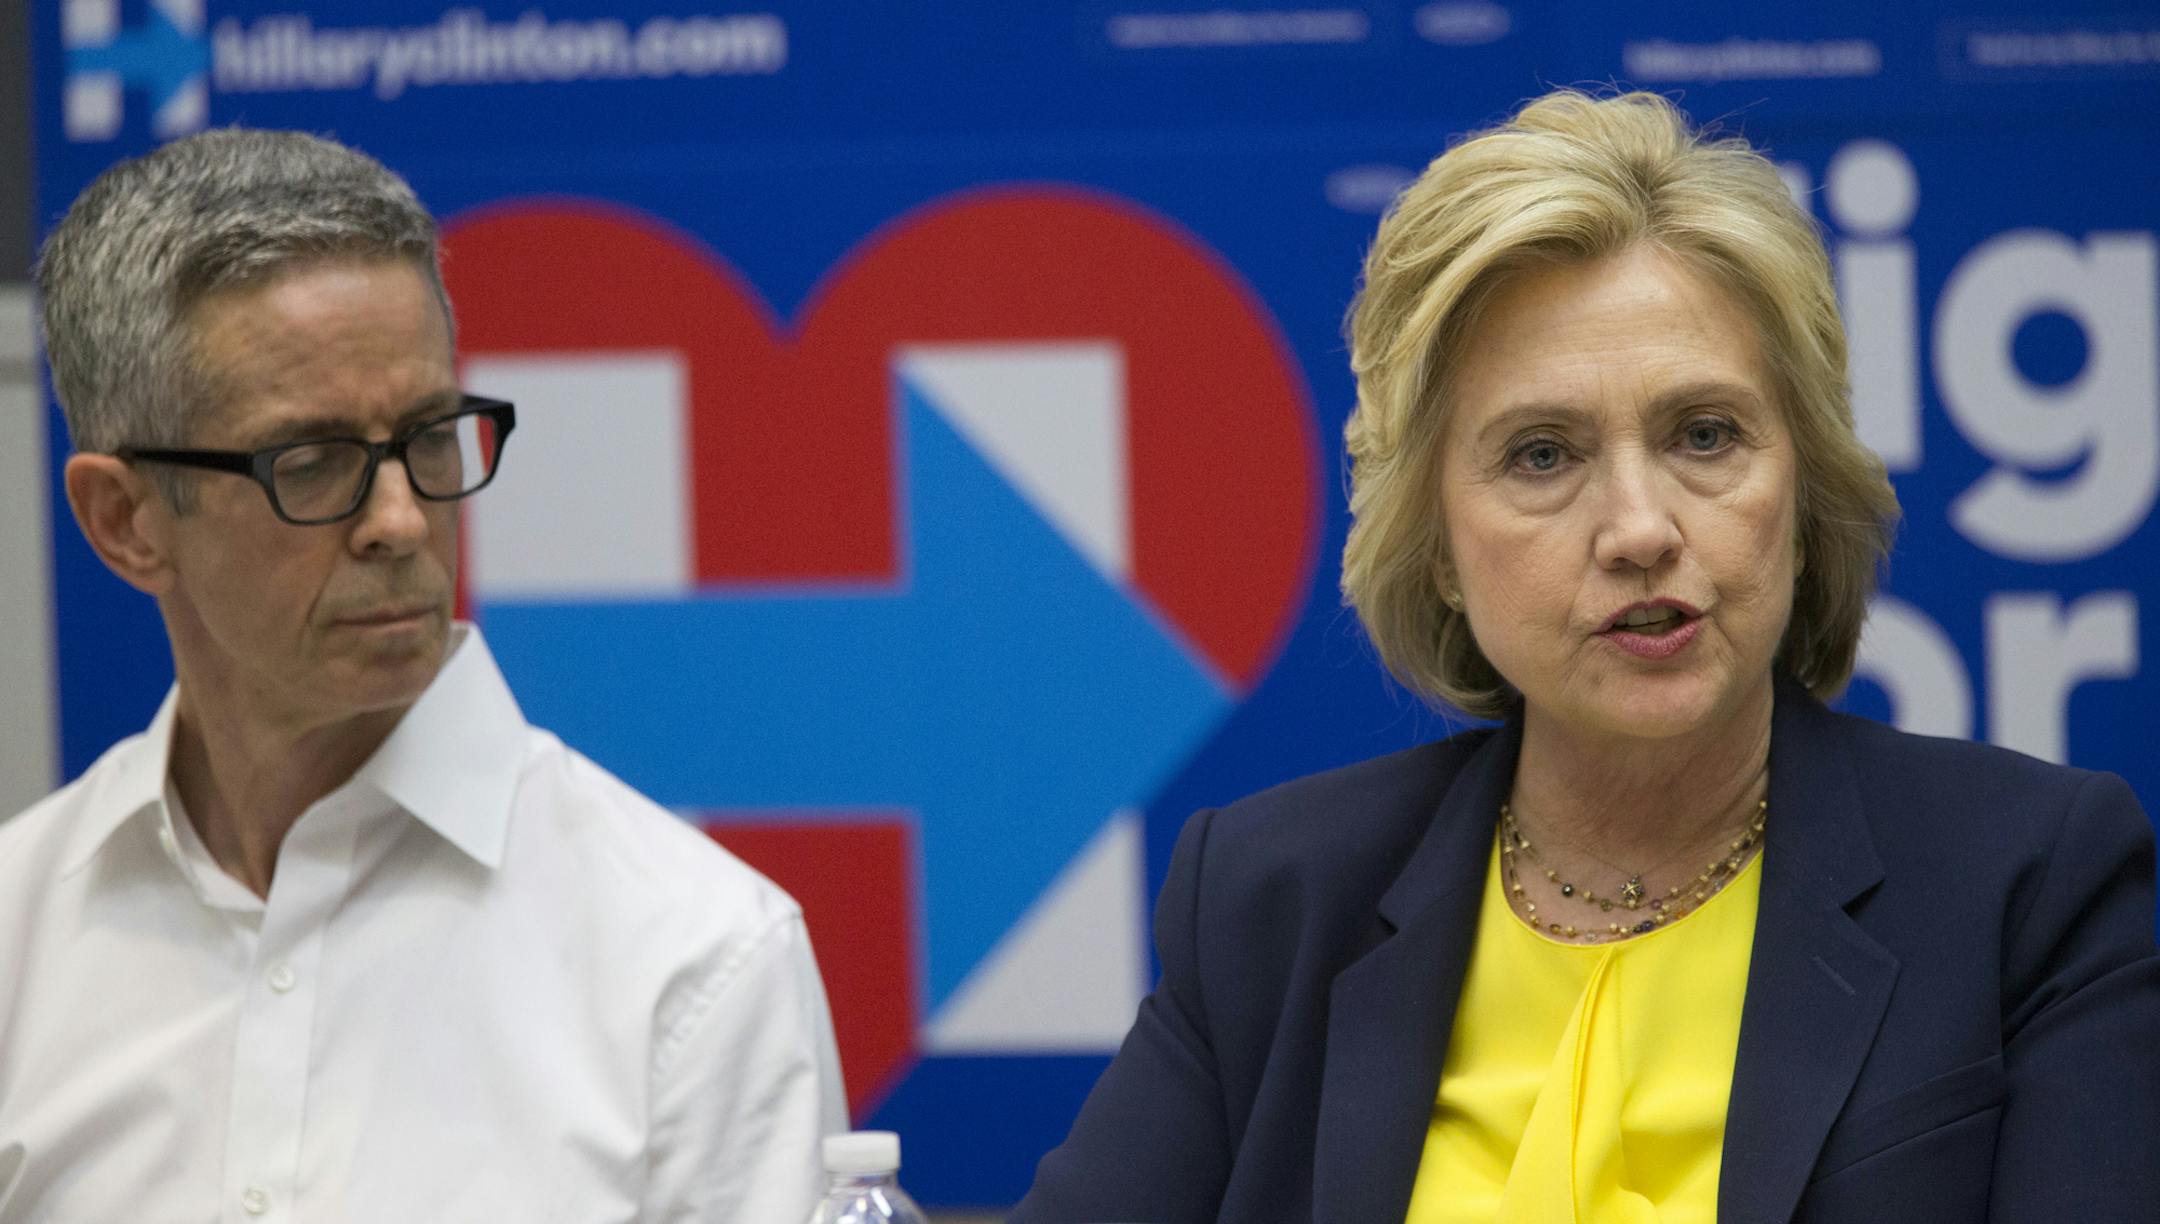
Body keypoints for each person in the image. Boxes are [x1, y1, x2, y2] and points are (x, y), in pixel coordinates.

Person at [1012, 90, 2160, 1221]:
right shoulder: (1275, 902)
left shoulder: (2028, 884)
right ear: (1438, 545)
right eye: (1542, 455)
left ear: (1803, 490)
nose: (1640, 529)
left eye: (1703, 435)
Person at [0, 129, 846, 1221]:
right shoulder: (17, 933)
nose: (400, 521)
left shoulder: (695, 959)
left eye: (431, 436)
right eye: (312, 463)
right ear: (125, 521)